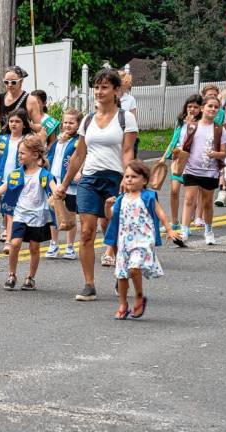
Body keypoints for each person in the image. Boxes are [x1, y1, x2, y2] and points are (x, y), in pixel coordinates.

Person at [55, 69, 139, 302]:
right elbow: (79, 155)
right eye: (97, 87)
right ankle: (89, 284)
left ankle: (120, 274)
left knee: (115, 230)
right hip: (89, 179)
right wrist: (64, 183)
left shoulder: (126, 118)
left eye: (104, 87)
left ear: (116, 90)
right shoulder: (88, 120)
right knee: (86, 231)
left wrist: (127, 178)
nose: (99, 91)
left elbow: (127, 150)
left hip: (115, 178)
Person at [0, 136, 58, 291]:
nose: (19, 156)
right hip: (20, 214)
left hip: (38, 217)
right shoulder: (16, 174)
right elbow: (2, 188)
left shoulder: (44, 174)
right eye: (19, 153)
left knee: (34, 248)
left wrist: (58, 195)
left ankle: (30, 277)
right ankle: (12, 274)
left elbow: (55, 189)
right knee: (14, 244)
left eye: (22, 153)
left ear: (35, 155)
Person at [104, 160, 178, 320]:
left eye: (134, 176)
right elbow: (111, 217)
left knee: (134, 268)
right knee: (122, 275)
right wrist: (106, 206)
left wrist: (170, 229)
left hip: (143, 241)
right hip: (124, 243)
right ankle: (123, 304)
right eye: (127, 176)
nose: (129, 179)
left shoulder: (148, 196)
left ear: (144, 180)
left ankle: (139, 296)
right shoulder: (121, 199)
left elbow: (160, 213)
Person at [0, 109, 34, 252]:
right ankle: (9, 230)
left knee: (12, 209)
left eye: (18, 121)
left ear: (24, 124)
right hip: (2, 178)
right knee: (6, 208)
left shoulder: (27, 140)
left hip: (20, 179)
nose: (14, 124)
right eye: (11, 121)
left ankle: (10, 237)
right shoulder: (3, 140)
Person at [179, 95, 226, 246]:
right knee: (189, 200)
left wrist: (216, 154)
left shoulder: (219, 130)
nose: (213, 109)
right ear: (202, 108)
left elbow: (224, 153)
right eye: (210, 106)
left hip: (210, 171)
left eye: (216, 107)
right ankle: (184, 231)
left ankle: (208, 230)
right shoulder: (192, 126)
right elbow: (182, 147)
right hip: (191, 169)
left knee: (207, 203)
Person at [159, 94, 202, 230]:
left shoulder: (202, 124)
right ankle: (175, 221)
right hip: (178, 160)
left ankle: (187, 220)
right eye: (189, 106)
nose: (192, 109)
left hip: (193, 162)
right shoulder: (180, 121)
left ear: (200, 109)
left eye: (195, 107)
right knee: (174, 191)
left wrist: (191, 124)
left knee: (190, 195)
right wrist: (164, 157)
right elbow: (174, 140)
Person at [45, 108, 83, 260]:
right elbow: (50, 157)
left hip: (71, 184)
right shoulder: (58, 141)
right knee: (53, 213)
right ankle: (53, 244)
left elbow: (82, 157)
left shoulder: (79, 142)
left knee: (70, 214)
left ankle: (69, 246)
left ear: (78, 125)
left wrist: (79, 171)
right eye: (65, 122)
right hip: (54, 181)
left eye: (71, 123)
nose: (68, 125)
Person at [0, 65, 42, 147]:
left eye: (13, 82)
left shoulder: (30, 100)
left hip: (22, 144)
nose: (9, 85)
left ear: (21, 82)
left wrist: (28, 124)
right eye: (6, 82)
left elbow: (39, 126)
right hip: (4, 141)